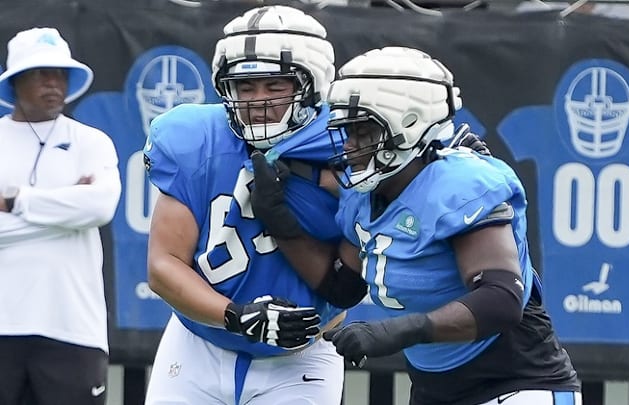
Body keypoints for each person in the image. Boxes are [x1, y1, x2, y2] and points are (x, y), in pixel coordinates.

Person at [250, 47, 582, 405]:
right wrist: (281, 225)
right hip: (434, 389)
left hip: (516, 381)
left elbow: (501, 300)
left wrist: (395, 332)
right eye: (346, 131)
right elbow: (342, 285)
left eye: (361, 131)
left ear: (407, 127)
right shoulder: (365, 195)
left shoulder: (458, 184)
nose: (348, 145)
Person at [143, 6, 357, 405]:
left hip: (301, 354)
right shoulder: (196, 139)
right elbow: (163, 264)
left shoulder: (348, 144)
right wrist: (237, 316)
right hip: (200, 343)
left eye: (275, 85)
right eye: (245, 87)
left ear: (314, 85)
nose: (258, 101)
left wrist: (440, 157)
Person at [0, 27, 121, 405]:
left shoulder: (92, 141)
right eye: (41, 72)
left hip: (74, 331)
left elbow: (100, 207)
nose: (54, 82)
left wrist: (15, 199)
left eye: (60, 73)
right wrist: (68, 209)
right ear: (16, 80)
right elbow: (83, 210)